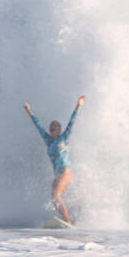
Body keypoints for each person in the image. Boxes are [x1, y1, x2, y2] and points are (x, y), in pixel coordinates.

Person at [24, 95, 85, 224]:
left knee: (57, 196)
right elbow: (38, 125)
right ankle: (68, 220)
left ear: (59, 129)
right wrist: (29, 112)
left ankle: (68, 222)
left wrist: (78, 105)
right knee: (54, 198)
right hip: (57, 175)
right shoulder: (48, 140)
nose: (52, 128)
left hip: (66, 172)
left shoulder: (64, 138)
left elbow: (72, 122)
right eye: (51, 127)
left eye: (55, 127)